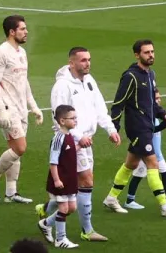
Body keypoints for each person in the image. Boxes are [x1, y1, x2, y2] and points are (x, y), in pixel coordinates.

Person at [102, 39, 166, 216]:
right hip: (137, 128)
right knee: (152, 162)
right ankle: (165, 206)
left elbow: (152, 104)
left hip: (147, 126)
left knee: (130, 164)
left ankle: (111, 198)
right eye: (146, 52)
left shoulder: (150, 74)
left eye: (152, 52)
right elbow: (118, 104)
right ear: (137, 55)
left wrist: (164, 115)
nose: (151, 55)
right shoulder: (130, 76)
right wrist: (114, 127)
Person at [47, 46, 118, 241]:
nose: (88, 63)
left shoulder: (89, 80)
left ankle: (46, 213)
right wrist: (78, 137)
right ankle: (87, 231)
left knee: (75, 185)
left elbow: (100, 107)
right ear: (72, 62)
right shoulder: (62, 86)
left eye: (89, 59)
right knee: (86, 181)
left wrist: (110, 129)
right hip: (70, 143)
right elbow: (57, 118)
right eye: (83, 60)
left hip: (86, 141)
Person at [0, 15, 46, 204]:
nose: (26, 31)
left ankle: (11, 193)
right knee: (20, 148)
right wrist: (1, 109)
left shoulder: (21, 53)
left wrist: (34, 106)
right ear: (12, 32)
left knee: (14, 149)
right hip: (6, 108)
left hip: (21, 108)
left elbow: (24, 81)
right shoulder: (0, 53)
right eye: (22, 29)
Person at [122, 87, 166, 210]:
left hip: (155, 152)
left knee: (165, 172)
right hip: (145, 152)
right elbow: (151, 131)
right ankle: (129, 200)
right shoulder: (146, 114)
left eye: (159, 97)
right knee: (138, 175)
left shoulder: (155, 112)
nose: (159, 100)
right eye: (156, 98)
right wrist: (164, 125)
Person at [38, 105, 81, 249]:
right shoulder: (58, 138)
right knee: (63, 208)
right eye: (73, 118)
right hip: (60, 180)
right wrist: (56, 179)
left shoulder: (69, 136)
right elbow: (53, 161)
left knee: (72, 208)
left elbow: (69, 153)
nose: (76, 120)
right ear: (62, 121)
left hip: (70, 179)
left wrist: (81, 146)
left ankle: (45, 224)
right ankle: (60, 239)